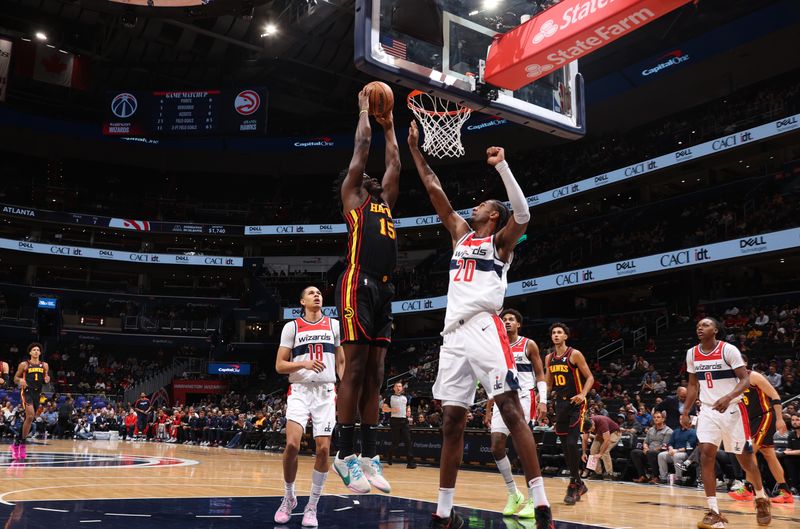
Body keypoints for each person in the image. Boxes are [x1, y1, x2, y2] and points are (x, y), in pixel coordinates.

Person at [408, 121, 553, 529]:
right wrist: (417, 151)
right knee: (451, 421)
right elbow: (435, 189)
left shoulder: (500, 243)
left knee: (509, 408)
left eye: (481, 206)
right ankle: (443, 511)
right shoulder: (460, 235)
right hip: (452, 335)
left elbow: (523, 213)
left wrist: (503, 168)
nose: (472, 208)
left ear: (493, 214)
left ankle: (540, 502)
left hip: (485, 327)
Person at [332, 85, 400, 495]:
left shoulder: (385, 201)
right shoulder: (353, 196)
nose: (372, 177)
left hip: (385, 289)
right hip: (356, 282)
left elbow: (393, 162)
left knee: (376, 374)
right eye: (365, 176)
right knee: (355, 370)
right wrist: (363, 112)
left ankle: (371, 457)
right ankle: (344, 455)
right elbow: (361, 150)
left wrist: (391, 127)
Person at [680, 317, 771, 528]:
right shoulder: (692, 353)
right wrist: (685, 411)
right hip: (708, 411)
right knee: (705, 454)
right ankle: (713, 511)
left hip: (733, 410)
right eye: (698, 326)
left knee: (745, 461)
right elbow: (693, 384)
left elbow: (745, 379)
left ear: (716, 330)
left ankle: (760, 497)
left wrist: (728, 397)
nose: (700, 328)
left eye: (705, 325)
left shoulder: (728, 350)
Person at [275, 286, 345, 527]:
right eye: (312, 293)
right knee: (292, 445)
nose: (317, 295)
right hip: (299, 391)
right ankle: (289, 496)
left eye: (319, 293)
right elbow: (280, 365)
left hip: (326, 392)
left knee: (324, 450)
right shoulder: (291, 327)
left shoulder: (334, 325)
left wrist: (344, 386)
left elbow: (341, 360)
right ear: (302, 300)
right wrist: (303, 363)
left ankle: (312, 505)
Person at [483, 308, 547, 516]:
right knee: (496, 446)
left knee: (522, 448)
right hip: (502, 395)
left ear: (518, 324)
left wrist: (543, 400)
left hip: (525, 397)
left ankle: (532, 499)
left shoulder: (529, 345)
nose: (507, 322)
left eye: (511, 319)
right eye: (504, 320)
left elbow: (540, 374)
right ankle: (513, 493)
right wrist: (489, 405)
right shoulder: (495, 347)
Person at [728, 354, 792, 503]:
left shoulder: (754, 376)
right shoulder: (734, 382)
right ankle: (785, 492)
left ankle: (749, 489)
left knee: (749, 452)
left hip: (765, 416)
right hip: (750, 420)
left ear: (745, 362)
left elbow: (775, 396)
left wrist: (780, 419)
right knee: (769, 454)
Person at [544, 322, 595, 505]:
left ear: (566, 336)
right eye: (554, 333)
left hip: (576, 404)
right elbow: (549, 384)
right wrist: (541, 398)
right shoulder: (549, 358)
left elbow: (590, 377)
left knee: (573, 443)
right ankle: (578, 482)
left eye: (560, 333)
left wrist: (583, 394)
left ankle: (574, 483)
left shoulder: (574, 354)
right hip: (560, 405)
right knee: (565, 446)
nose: (556, 335)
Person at [12, 343, 50, 459]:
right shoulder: (24, 364)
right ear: (30, 352)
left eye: (38, 350)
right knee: (30, 416)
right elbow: (15, 378)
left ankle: (17, 441)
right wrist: (19, 380)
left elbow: (44, 380)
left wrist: (47, 380)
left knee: (30, 418)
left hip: (37, 393)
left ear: (40, 352)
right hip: (27, 391)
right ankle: (23, 444)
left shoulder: (44, 365)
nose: (36, 351)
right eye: (34, 350)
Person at [630, 410, 672, 483]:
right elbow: (646, 442)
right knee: (635, 452)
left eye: (658, 417)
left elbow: (665, 445)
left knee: (651, 453)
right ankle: (642, 476)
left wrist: (651, 450)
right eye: (654, 417)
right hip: (649, 451)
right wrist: (646, 447)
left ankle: (656, 477)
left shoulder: (668, 431)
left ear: (663, 419)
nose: (656, 419)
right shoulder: (651, 429)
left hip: (660, 452)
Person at [384, 381, 416, 468]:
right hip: (394, 421)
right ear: (394, 388)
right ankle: (389, 454)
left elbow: (408, 406)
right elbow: (384, 408)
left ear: (402, 388)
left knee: (408, 441)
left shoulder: (406, 397)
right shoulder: (390, 397)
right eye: (397, 386)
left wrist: (408, 410)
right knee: (395, 443)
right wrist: (391, 410)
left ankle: (410, 462)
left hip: (404, 421)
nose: (398, 388)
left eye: (400, 386)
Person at [581, 415, 621, 480]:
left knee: (605, 451)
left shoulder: (602, 422)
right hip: (601, 433)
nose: (592, 430)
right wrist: (584, 453)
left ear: (593, 423)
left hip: (614, 432)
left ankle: (609, 473)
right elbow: (584, 440)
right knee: (593, 450)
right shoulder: (585, 425)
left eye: (592, 428)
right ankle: (598, 473)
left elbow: (607, 440)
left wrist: (600, 453)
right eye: (590, 430)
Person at [657, 419, 697, 484]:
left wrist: (677, 450)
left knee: (676, 456)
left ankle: (679, 478)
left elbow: (690, 446)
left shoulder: (693, 431)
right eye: (680, 419)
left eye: (683, 419)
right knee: (661, 455)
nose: (681, 420)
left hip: (686, 453)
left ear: (689, 420)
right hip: (673, 451)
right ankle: (663, 477)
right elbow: (670, 443)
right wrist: (670, 449)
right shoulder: (676, 431)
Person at [783, 413, 800, 492]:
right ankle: (793, 487)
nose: (794, 422)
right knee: (786, 459)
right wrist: (786, 452)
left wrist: (787, 452)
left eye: (797, 420)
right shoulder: (791, 434)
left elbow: (788, 452)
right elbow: (788, 449)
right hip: (794, 458)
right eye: (792, 420)